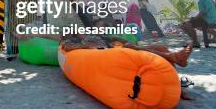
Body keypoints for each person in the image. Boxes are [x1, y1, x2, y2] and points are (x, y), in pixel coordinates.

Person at [60, 34, 194, 67]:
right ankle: (175, 57)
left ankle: (175, 58)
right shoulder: (73, 41)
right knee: (133, 49)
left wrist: (125, 41)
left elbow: (113, 37)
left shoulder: (95, 35)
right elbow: (67, 47)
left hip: (115, 48)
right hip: (105, 54)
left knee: (160, 47)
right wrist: (87, 45)